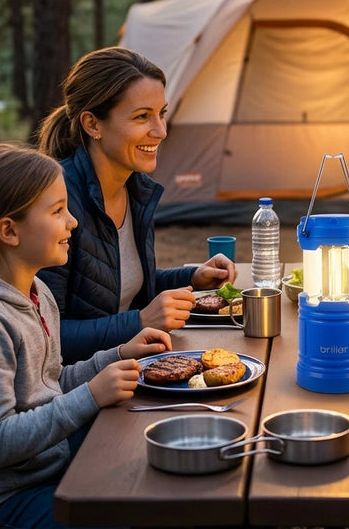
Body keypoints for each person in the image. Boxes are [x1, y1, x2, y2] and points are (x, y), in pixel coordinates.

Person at [0, 143, 172, 529]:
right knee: (127, 510)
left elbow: (49, 385)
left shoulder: (37, 293)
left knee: (143, 447)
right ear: (9, 230)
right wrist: (91, 396)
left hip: (37, 467)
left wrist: (116, 355)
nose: (73, 222)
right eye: (58, 211)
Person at [37, 47, 237, 363]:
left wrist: (191, 277)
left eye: (162, 113)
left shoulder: (135, 189)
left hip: (127, 366)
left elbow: (116, 285)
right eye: (142, 116)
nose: (161, 131)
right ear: (93, 125)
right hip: (75, 390)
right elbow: (45, 336)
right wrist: (140, 322)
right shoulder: (56, 202)